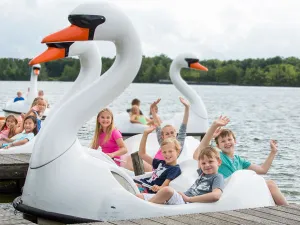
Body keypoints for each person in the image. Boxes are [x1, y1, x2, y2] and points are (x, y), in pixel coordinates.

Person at [193, 115, 288, 206]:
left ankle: (286, 209)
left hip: (239, 190)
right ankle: (288, 210)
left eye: (229, 139)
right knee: (269, 185)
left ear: (235, 141)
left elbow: (263, 170)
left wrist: (273, 152)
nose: (227, 143)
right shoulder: (218, 156)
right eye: (223, 141)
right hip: (225, 190)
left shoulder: (239, 160)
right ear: (218, 146)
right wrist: (213, 127)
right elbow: (200, 152)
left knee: (270, 184)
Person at [141, 146, 224, 205]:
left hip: (187, 202)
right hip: (183, 198)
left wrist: (189, 199)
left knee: (167, 190)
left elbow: (216, 196)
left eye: (210, 161)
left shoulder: (217, 177)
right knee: (140, 196)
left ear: (219, 162)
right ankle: (147, 205)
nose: (206, 165)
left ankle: (146, 207)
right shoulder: (202, 173)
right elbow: (199, 151)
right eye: (203, 163)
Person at [136, 125, 181, 198]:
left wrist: (158, 188)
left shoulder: (174, 169)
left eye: (170, 151)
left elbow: (163, 187)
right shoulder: (161, 163)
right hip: (141, 184)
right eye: (164, 152)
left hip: (146, 191)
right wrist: (145, 134)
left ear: (177, 151)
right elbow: (142, 154)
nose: (167, 154)